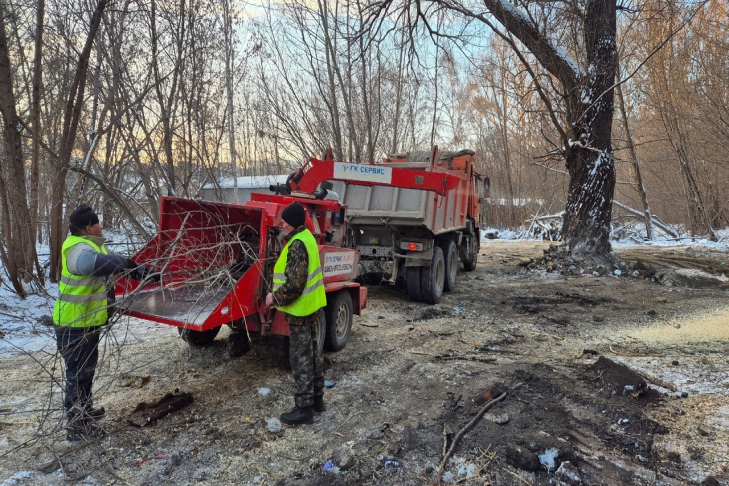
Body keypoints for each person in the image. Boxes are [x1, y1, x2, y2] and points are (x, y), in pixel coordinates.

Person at [53, 204, 155, 441]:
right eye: (98, 223)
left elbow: (106, 262)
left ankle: (85, 412)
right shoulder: (79, 250)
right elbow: (99, 263)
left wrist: (136, 271)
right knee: (77, 375)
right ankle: (77, 428)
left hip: (86, 323)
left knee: (85, 373)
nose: (102, 226)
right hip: (74, 325)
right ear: (88, 227)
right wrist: (132, 266)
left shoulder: (89, 245)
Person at [265, 202, 327, 425]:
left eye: (284, 221)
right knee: (312, 354)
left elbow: (294, 285)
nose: (281, 224)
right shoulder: (307, 237)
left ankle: (303, 409)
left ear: (291, 224)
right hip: (311, 306)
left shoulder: (297, 245)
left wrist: (274, 298)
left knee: (300, 359)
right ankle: (317, 399)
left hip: (300, 310)